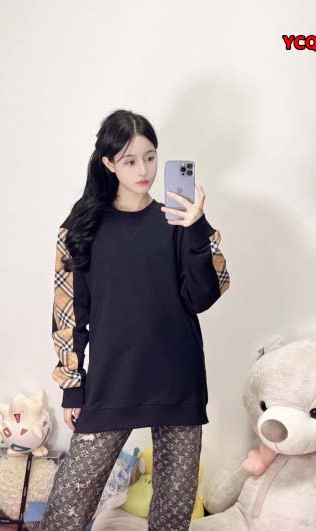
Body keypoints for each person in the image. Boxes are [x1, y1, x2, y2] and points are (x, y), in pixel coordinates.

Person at [38, 109, 230, 531]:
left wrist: (196, 228)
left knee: (173, 513)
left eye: (150, 157)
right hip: (113, 378)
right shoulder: (81, 229)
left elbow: (207, 294)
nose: (143, 170)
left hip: (178, 378)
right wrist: (73, 386)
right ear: (108, 163)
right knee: (67, 509)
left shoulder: (178, 222)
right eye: (129, 160)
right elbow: (68, 312)